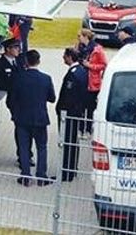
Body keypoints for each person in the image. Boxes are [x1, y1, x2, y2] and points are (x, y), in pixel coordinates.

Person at [11, 50, 56, 186]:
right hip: (40, 118)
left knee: (24, 147)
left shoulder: (18, 78)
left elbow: (12, 99)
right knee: (42, 147)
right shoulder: (46, 78)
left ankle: (25, 176)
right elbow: (52, 98)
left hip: (22, 118)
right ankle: (41, 176)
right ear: (39, 61)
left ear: (26, 61)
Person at [0, 38, 26, 169]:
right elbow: (2, 83)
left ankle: (26, 154)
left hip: (25, 99)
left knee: (26, 127)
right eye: (15, 47)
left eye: (18, 47)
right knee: (21, 128)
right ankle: (23, 156)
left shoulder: (20, 61)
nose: (18, 50)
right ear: (7, 49)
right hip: (14, 100)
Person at [57, 48, 89, 182]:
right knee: (73, 142)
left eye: (64, 56)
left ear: (70, 57)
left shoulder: (73, 74)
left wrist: (61, 111)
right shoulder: (82, 70)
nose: (63, 58)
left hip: (69, 114)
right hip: (77, 112)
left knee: (68, 142)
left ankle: (67, 173)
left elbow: (68, 97)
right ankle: (72, 169)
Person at [77, 28, 108, 136]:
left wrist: (90, 66)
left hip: (92, 82)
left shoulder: (97, 49)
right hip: (81, 80)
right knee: (80, 106)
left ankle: (88, 130)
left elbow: (104, 64)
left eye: (79, 36)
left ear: (85, 37)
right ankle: (80, 129)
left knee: (90, 108)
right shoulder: (79, 48)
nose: (78, 38)